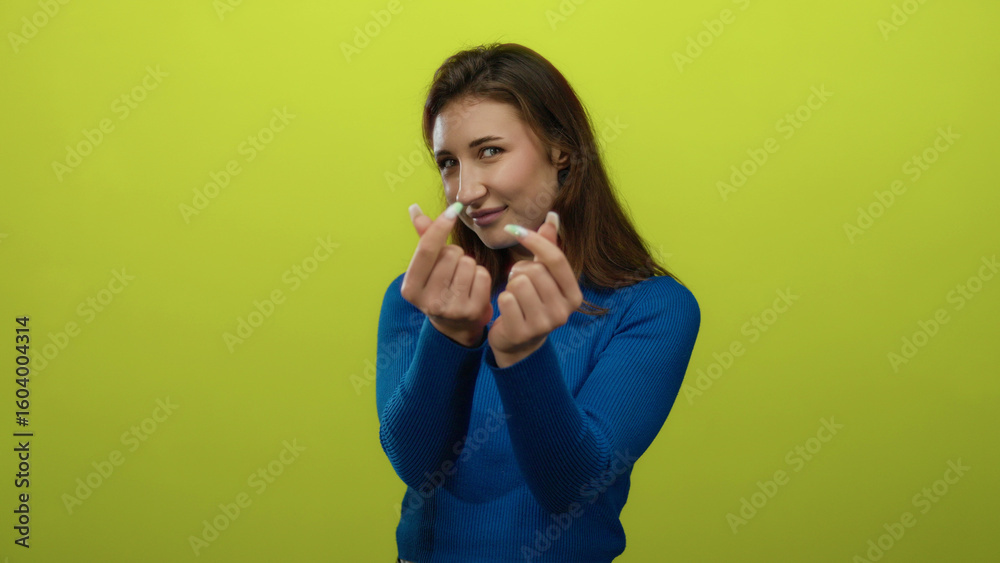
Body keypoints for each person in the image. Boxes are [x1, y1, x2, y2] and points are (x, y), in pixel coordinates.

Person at [377, 42, 701, 562]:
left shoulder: (652, 309)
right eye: (448, 163)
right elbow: (416, 466)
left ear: (562, 151)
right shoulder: (419, 299)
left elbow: (571, 488)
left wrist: (523, 356)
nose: (466, 189)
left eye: (489, 151)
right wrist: (448, 335)